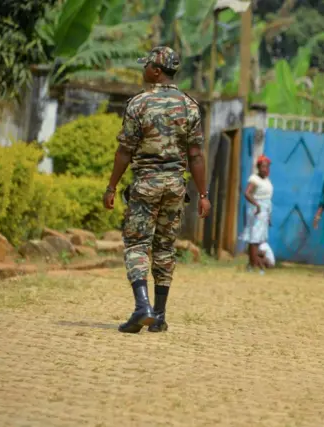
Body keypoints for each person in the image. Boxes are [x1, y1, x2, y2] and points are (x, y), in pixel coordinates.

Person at [103, 46, 211, 334]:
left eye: (146, 65)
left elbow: (124, 151)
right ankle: (159, 316)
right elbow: (196, 154)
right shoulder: (190, 105)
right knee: (164, 247)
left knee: (137, 245)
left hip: (146, 184)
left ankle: (142, 307)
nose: (143, 70)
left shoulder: (139, 104)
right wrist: (203, 194)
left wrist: (111, 186)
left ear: (155, 70)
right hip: (176, 186)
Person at [242, 155, 273, 274]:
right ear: (258, 167)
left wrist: (268, 216)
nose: (265, 169)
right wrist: (257, 205)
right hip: (257, 211)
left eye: (267, 167)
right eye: (263, 167)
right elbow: (247, 193)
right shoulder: (254, 179)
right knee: (254, 238)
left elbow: (267, 198)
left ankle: (252, 264)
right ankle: (254, 265)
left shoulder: (267, 180)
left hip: (264, 211)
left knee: (259, 238)